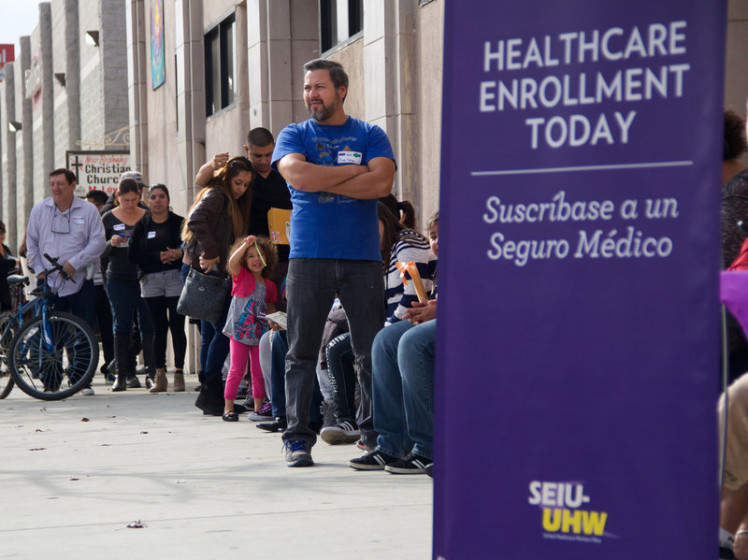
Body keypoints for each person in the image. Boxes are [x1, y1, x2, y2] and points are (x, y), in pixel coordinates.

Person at [272, 58, 396, 467]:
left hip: (362, 259)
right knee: (300, 352)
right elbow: (298, 178)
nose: (311, 95)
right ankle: (296, 438)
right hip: (308, 256)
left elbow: (381, 183)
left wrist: (325, 172)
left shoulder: (371, 133)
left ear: (341, 90)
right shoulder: (294, 134)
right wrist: (353, 170)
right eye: (307, 88)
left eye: (319, 87)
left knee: (369, 352)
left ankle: (376, 435)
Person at [321, 202, 434, 447]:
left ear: (383, 220)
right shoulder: (379, 251)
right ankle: (353, 422)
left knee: (379, 343)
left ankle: (388, 434)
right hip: (395, 321)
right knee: (338, 347)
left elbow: (412, 296)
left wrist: (386, 326)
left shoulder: (407, 243)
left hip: (411, 318)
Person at [349, 211, 439, 475]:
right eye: (434, 236)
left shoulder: (408, 245)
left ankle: (428, 446)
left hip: (465, 323)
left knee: (411, 342)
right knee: (384, 340)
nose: (436, 242)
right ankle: (392, 443)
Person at [25, 168, 107, 396]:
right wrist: (40, 271)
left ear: (72, 185)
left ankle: (81, 380)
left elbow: (98, 242)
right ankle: (51, 381)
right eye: (52, 184)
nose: (56, 188)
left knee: (83, 331)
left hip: (81, 278)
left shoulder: (89, 210)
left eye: (60, 184)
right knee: (50, 331)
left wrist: (75, 263)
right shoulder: (40, 209)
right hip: (48, 281)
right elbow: (31, 242)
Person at [185, 155, 254, 416]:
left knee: (218, 333)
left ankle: (211, 394)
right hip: (210, 273)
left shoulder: (229, 199)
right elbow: (195, 220)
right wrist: (212, 251)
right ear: (227, 178)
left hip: (216, 273)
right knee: (225, 331)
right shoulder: (217, 194)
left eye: (246, 184)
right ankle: (210, 389)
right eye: (238, 182)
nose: (241, 189)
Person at [197, 128, 293, 308]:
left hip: (284, 256)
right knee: (251, 314)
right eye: (258, 156)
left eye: (268, 154)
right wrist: (211, 165)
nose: (264, 161)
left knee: (281, 311)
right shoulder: (243, 175)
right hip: (250, 256)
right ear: (247, 150)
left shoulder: (285, 172)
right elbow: (201, 180)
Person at [128, 184, 187, 393]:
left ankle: (179, 373)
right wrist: (157, 257)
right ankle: (159, 374)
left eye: (162, 196)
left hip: (175, 278)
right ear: (148, 201)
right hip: (151, 280)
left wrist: (177, 254)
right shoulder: (142, 225)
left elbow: (188, 244)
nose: (157, 200)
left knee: (177, 326)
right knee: (157, 328)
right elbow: (132, 254)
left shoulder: (179, 222)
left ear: (168, 200)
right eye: (153, 197)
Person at [101, 179, 156, 391]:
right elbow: (99, 252)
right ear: (118, 197)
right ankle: (121, 375)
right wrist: (110, 243)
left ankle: (152, 373)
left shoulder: (147, 216)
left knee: (148, 325)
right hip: (118, 278)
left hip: (143, 277)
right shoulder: (108, 218)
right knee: (121, 326)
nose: (130, 204)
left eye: (134, 200)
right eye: (126, 200)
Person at [221, 235, 278, 421]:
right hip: (239, 332)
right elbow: (231, 262)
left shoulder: (269, 285)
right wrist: (244, 245)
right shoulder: (241, 277)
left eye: (260, 255)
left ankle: (259, 407)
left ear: (266, 259)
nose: (256, 259)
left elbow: (270, 307)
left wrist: (275, 323)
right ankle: (228, 408)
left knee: (258, 371)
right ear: (245, 260)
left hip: (259, 333)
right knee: (236, 369)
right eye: (251, 256)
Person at [85, 190, 115, 380]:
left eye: (93, 205)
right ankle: (83, 372)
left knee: (108, 327)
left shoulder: (108, 222)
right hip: (86, 283)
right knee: (85, 327)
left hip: (105, 283)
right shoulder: (83, 225)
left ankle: (111, 367)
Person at [0, 221, 19, 311]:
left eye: (2, 233)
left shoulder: (5, 248)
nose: (1, 236)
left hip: (7, 290)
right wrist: (15, 263)